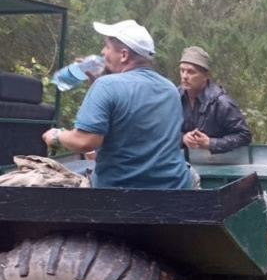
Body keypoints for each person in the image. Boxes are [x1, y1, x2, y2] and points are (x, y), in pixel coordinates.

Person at [42, 20, 192, 189]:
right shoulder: (170, 88)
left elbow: (85, 141)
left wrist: (56, 136)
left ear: (124, 54)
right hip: (175, 190)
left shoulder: (107, 86)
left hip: (121, 196)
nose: (102, 52)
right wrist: (98, 86)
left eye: (107, 46)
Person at [178, 46, 252, 155]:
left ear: (206, 76)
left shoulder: (221, 103)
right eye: (182, 70)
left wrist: (211, 143)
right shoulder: (174, 97)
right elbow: (162, 131)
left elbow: (244, 136)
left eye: (191, 72)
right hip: (181, 164)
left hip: (218, 164)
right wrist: (183, 138)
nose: (184, 76)